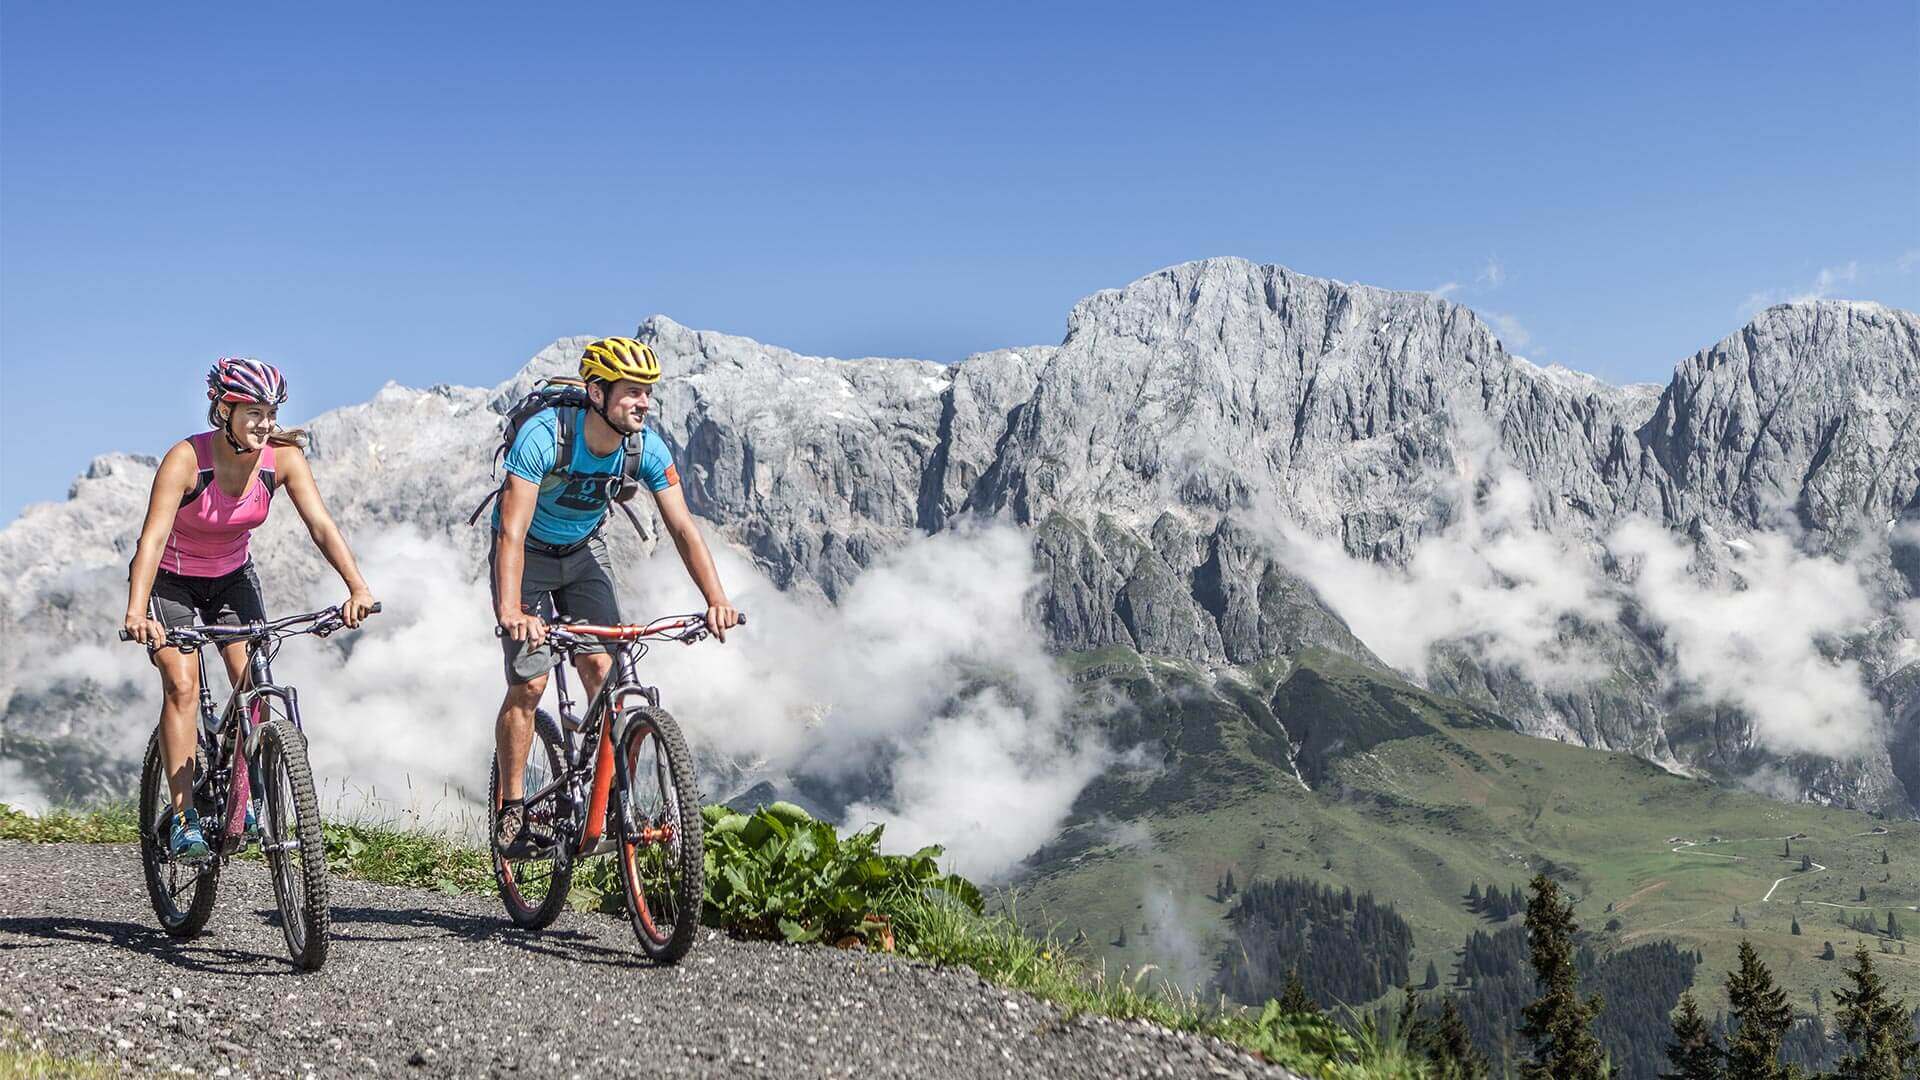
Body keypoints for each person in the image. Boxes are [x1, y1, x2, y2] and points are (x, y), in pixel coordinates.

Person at [490, 336, 738, 856]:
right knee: (530, 683)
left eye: (647, 393)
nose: (642, 403)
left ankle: (603, 788)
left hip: (582, 550)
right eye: (631, 392)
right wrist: (512, 611)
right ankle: (512, 807)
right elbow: (511, 532)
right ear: (596, 394)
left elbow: (683, 529)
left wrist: (717, 598)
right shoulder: (543, 436)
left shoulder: (644, 447)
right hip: (528, 552)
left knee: (604, 669)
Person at [123, 357, 378, 859]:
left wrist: (357, 587)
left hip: (231, 579)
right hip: (171, 581)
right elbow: (151, 540)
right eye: (253, 412)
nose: (265, 424)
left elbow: (321, 527)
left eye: (271, 412)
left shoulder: (281, 460)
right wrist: (137, 612)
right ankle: (183, 816)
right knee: (182, 685)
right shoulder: (187, 460)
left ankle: (249, 791)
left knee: (253, 684)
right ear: (224, 409)